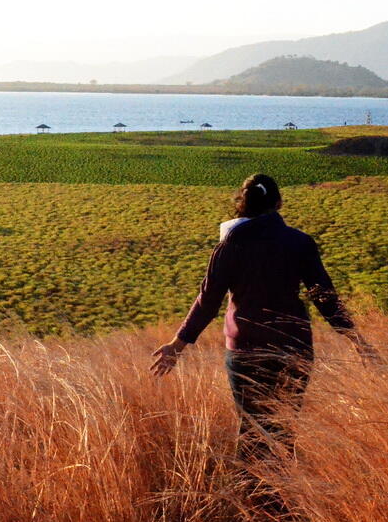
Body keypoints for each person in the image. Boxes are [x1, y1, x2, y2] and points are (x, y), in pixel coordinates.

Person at [151, 173, 373, 463]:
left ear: (242, 205)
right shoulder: (300, 243)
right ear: (279, 203)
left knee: (253, 430)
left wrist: (176, 346)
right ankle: (282, 500)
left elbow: (207, 301)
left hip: (245, 351)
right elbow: (324, 298)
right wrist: (357, 339)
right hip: (292, 349)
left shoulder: (228, 246)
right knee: (283, 428)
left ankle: (251, 501)